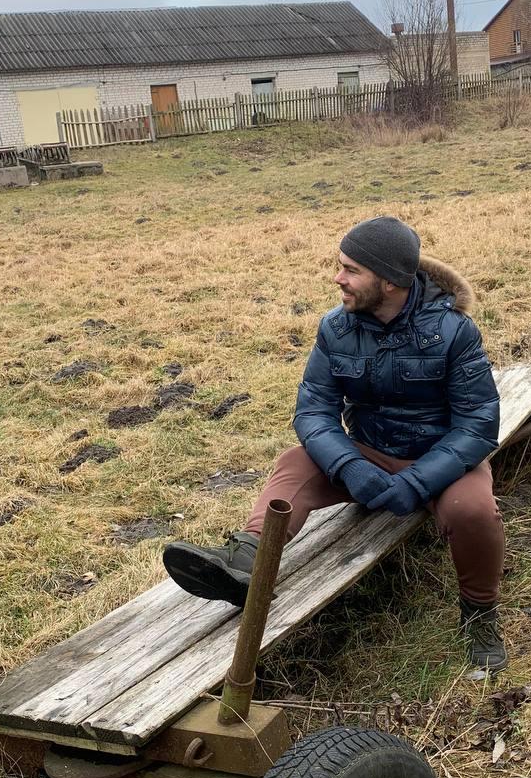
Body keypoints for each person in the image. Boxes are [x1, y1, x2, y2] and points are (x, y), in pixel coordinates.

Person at [162, 216, 507, 672]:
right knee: (294, 461)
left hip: (440, 459)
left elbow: (478, 424)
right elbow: (313, 411)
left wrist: (419, 481)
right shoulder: (336, 328)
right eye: (339, 266)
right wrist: (348, 466)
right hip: (367, 451)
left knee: (474, 512)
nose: (337, 278)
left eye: (351, 269)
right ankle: (248, 559)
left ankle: (480, 614)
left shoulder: (452, 331)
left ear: (388, 282)